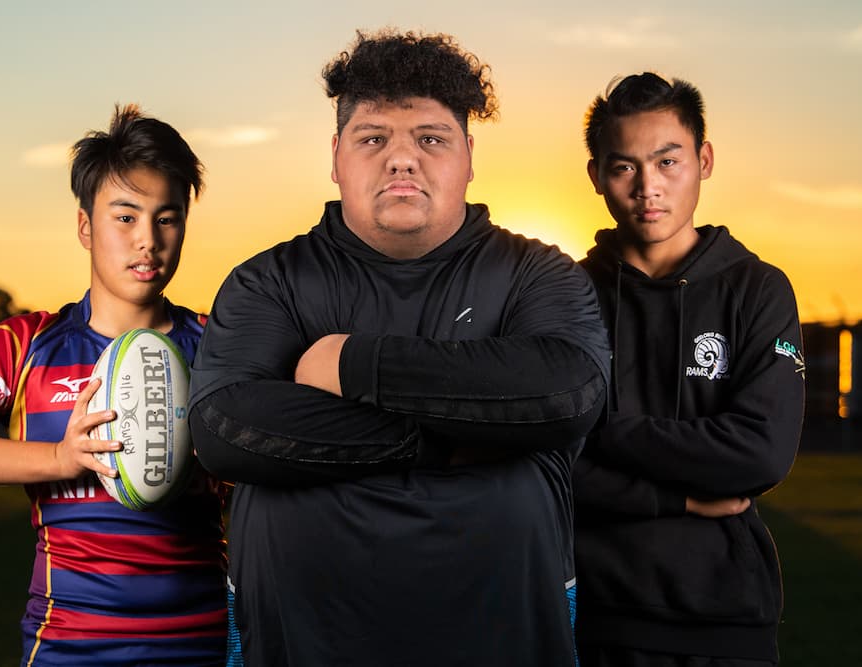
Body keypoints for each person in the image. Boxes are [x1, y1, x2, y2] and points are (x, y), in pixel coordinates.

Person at [188, 29, 610, 667]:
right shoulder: (267, 281)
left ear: (469, 153)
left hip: (506, 637)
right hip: (301, 641)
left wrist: (353, 363)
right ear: (336, 155)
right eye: (374, 138)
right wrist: (458, 437)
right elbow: (228, 427)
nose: (402, 159)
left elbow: (566, 391)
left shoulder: (537, 273)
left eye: (431, 139)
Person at [0, 105, 228, 666]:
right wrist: (59, 456)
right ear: (85, 227)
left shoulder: (221, 346)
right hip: (70, 649)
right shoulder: (24, 345)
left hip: (205, 645)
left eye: (167, 218)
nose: (147, 240)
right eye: (125, 217)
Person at [573, 72, 805, 666]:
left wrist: (601, 430)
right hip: (593, 616)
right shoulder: (564, 295)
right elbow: (544, 463)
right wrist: (678, 500)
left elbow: (759, 453)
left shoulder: (758, 290)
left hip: (724, 620)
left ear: (703, 160)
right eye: (624, 167)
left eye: (667, 161)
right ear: (597, 174)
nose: (648, 187)